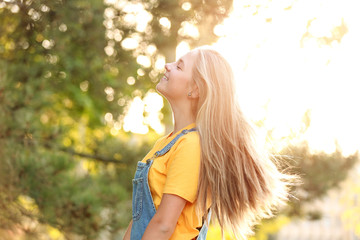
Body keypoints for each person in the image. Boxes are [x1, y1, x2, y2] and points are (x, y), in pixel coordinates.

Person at [123, 46, 292, 240]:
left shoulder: (191, 146)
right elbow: (138, 218)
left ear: (195, 89)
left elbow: (163, 226)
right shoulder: (165, 144)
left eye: (179, 66)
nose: (167, 66)